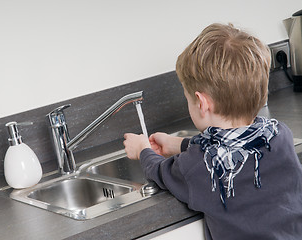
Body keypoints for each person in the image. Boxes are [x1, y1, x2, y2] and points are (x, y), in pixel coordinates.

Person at [123, 23, 302, 240]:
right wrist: (178, 144)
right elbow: (232, 144)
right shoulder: (279, 134)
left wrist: (142, 149)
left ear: (201, 103)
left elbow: (161, 172)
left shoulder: (199, 165)